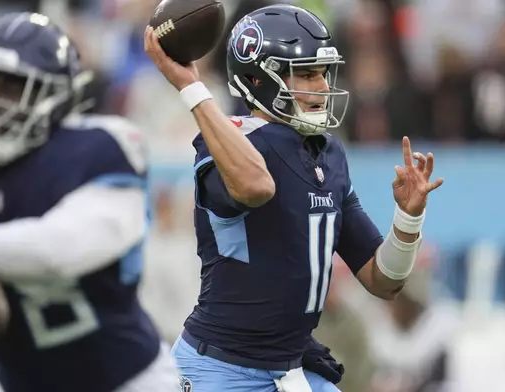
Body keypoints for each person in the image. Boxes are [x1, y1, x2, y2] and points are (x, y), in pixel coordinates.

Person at [145, 4, 444, 391]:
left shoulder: (328, 153)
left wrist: (407, 219)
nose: (321, 86)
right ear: (257, 79)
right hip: (219, 368)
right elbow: (257, 186)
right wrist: (192, 88)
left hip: (288, 368)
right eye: (306, 74)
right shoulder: (229, 140)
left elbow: (382, 280)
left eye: (322, 72)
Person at [0, 12, 180, 392]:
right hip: (12, 378)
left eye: (11, 88)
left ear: (57, 96)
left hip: (124, 379)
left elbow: (58, 252)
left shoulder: (101, 149)